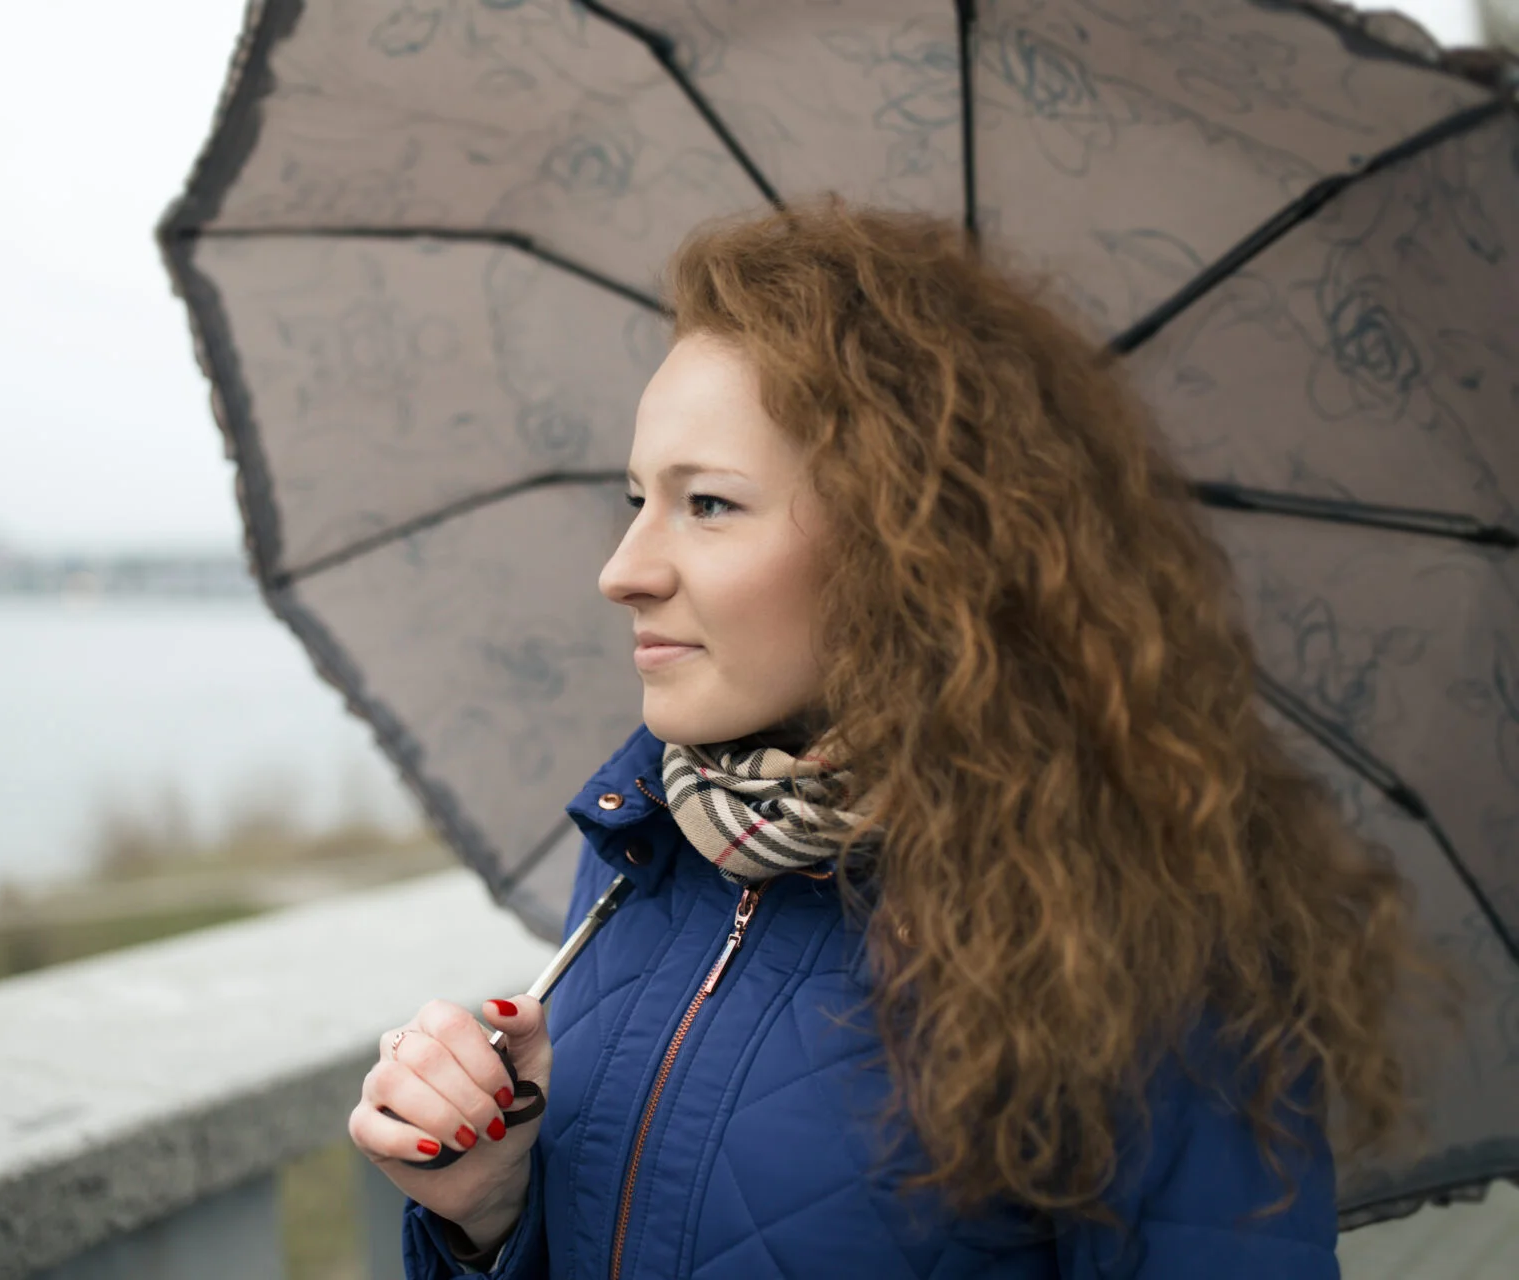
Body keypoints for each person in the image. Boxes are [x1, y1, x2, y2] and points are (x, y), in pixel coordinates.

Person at [347, 196, 1449, 1278]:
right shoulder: (651, 844)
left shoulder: (1146, 935)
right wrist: (489, 1217)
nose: (623, 568)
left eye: (709, 504)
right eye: (635, 497)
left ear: (909, 541)